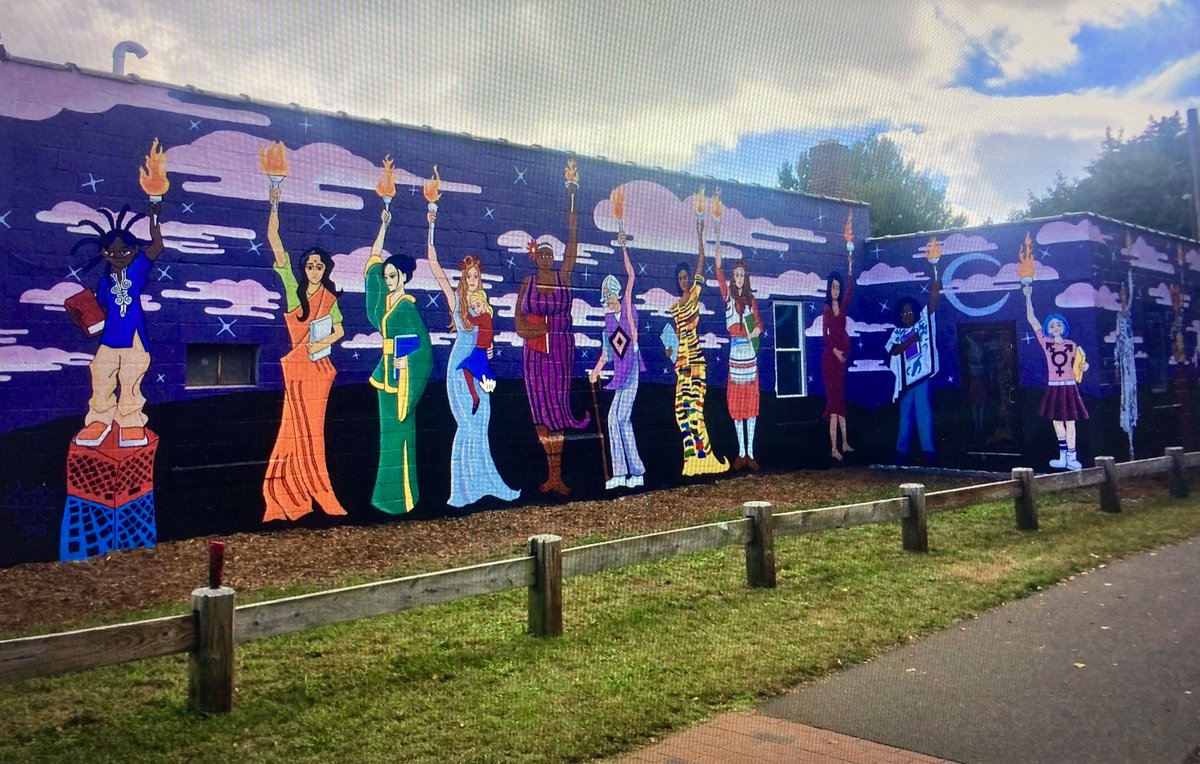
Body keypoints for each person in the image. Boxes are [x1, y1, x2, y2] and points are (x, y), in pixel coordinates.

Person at [261, 185, 347, 521]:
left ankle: (319, 490)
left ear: (325, 270)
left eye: (319, 266)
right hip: (296, 370)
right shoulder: (295, 293)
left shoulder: (329, 299)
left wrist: (320, 345)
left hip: (318, 371)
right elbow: (274, 240)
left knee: (313, 432)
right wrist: (274, 202)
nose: (313, 270)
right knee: (290, 430)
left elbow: (339, 330)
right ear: (304, 268)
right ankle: (287, 492)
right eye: (309, 265)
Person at [427, 212, 521, 507]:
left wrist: (490, 348)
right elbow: (434, 265)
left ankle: (484, 485)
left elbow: (486, 338)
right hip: (459, 368)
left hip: (480, 367)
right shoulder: (456, 302)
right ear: (462, 279)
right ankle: (461, 491)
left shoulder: (483, 307)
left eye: (475, 277)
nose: (471, 280)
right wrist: (431, 223)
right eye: (467, 277)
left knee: (482, 424)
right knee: (466, 425)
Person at [514, 177, 590, 496]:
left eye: (550, 254)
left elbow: (573, 243)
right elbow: (518, 321)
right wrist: (537, 329)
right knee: (540, 409)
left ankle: (559, 473)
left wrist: (572, 198)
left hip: (559, 351)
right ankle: (550, 472)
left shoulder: (564, 277)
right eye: (542, 254)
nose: (547, 258)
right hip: (534, 353)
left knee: (557, 406)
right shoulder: (528, 284)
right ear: (536, 257)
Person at [69, 202, 163, 449]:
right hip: (109, 337)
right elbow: (98, 313)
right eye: (111, 252)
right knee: (101, 373)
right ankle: (99, 419)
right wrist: (80, 318)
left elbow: (157, 247)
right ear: (104, 253)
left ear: (133, 251)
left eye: (124, 251)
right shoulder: (105, 282)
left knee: (131, 377)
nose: (118, 256)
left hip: (134, 337)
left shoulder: (137, 270)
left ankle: (130, 422)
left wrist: (154, 216)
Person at [363, 208, 433, 514]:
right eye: (387, 276)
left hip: (403, 382)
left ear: (403, 277)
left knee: (402, 435)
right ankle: (385, 495)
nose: (387, 280)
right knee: (386, 438)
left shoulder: (408, 307)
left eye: (393, 276)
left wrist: (409, 365)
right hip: (385, 380)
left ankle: (405, 498)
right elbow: (371, 269)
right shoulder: (387, 305)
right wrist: (383, 226)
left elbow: (425, 349)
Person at [666, 213, 728, 476]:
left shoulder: (693, 296)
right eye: (680, 277)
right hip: (681, 363)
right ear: (676, 280)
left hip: (696, 364)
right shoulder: (674, 307)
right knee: (681, 412)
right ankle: (691, 459)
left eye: (685, 276)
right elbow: (674, 338)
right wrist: (669, 350)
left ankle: (708, 457)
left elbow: (702, 264)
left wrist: (700, 232)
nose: (683, 280)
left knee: (695, 412)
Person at [588, 230, 646, 489]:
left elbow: (632, 275)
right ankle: (626, 473)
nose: (608, 301)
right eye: (605, 298)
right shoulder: (608, 319)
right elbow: (607, 352)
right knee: (617, 420)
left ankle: (633, 472)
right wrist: (596, 370)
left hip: (632, 370)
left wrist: (623, 248)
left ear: (615, 292)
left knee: (620, 419)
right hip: (619, 375)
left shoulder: (628, 307)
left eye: (609, 296)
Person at [1024, 285, 1089, 470]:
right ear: (1048, 329)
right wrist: (1028, 297)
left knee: (1071, 422)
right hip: (1054, 386)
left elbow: (1082, 362)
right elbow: (1032, 320)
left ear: (1064, 326)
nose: (1055, 327)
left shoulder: (1071, 345)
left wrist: (1085, 366)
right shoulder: (1047, 344)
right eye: (1051, 325)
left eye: (1058, 324)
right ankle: (1063, 456)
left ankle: (1072, 456)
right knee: (1057, 421)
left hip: (1069, 386)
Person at [714, 238, 762, 471]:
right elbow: (718, 271)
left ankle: (750, 452)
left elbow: (760, 325)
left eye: (742, 275)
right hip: (735, 351)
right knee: (737, 405)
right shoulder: (728, 298)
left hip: (749, 353)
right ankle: (740, 451)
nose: (739, 278)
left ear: (746, 277)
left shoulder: (751, 300)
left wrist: (755, 330)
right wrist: (716, 234)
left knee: (751, 405)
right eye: (736, 275)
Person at [885, 272, 941, 466]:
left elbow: (932, 305)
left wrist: (935, 286)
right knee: (905, 417)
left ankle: (928, 451)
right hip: (906, 383)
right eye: (903, 312)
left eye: (909, 311)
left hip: (922, 378)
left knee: (924, 414)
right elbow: (892, 351)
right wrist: (910, 340)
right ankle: (901, 451)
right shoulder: (898, 332)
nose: (906, 314)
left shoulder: (922, 324)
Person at [821, 262, 855, 462]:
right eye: (832, 287)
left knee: (840, 402)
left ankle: (845, 442)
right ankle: (834, 447)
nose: (835, 290)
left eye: (837, 287)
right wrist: (835, 351)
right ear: (829, 288)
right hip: (830, 360)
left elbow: (850, 291)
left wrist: (849, 268)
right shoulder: (826, 309)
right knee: (833, 405)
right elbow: (826, 336)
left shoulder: (842, 307)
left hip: (840, 361)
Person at [457, 288, 496, 415]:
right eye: (474, 307)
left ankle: (478, 396)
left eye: (478, 305)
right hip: (478, 350)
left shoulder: (485, 317)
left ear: (484, 303)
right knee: (466, 368)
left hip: (481, 351)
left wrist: (466, 313)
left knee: (481, 375)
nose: (477, 309)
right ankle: (475, 398)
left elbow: (474, 321)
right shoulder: (484, 317)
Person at [1115, 275, 1137, 459]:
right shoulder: (1118, 315)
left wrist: (1129, 273)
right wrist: (1116, 363)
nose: (1123, 295)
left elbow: (1132, 292)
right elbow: (1117, 339)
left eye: (1125, 292)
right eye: (1120, 292)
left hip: (1130, 357)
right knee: (1125, 395)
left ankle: (1132, 443)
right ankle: (1129, 443)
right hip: (1123, 357)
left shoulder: (1129, 311)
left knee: (1132, 394)